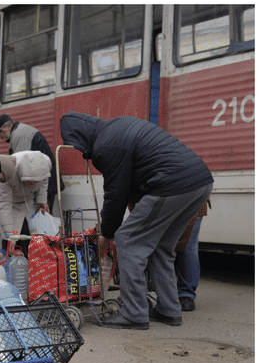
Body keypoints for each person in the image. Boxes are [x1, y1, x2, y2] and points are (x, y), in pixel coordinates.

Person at [59, 112, 213, 330]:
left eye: (77, 146)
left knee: (127, 241)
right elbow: (132, 186)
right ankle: (169, 309)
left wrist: (107, 233)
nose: (80, 151)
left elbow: (116, 192)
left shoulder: (106, 145)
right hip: (200, 182)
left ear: (80, 136)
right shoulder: (117, 126)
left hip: (172, 184)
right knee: (160, 247)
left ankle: (134, 314)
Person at [0, 113, 62, 212]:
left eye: (1, 136)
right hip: (43, 181)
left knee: (41, 219)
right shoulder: (21, 131)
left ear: (3, 131)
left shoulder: (19, 136)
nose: (2, 139)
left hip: (43, 183)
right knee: (42, 218)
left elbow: (20, 168)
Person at [0, 151, 52, 255]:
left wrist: (41, 199)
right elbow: (3, 204)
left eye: (35, 182)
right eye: (29, 182)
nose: (32, 184)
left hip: (30, 201)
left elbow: (44, 181)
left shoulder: (45, 163)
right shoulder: (8, 171)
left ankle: (31, 262)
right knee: (10, 240)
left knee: (30, 235)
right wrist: (10, 233)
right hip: (12, 203)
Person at [175, 201, 210, 312]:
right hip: (198, 199)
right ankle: (186, 297)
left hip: (172, 202)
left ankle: (162, 295)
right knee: (189, 246)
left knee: (162, 248)